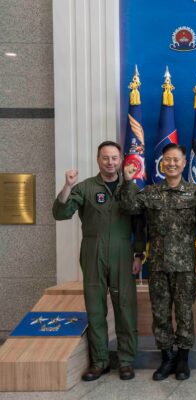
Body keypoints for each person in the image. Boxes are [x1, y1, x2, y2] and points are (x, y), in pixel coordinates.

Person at [52, 141, 144, 381]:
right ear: (98, 160)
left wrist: (139, 254)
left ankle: (126, 361)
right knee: (95, 308)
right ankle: (100, 361)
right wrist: (67, 186)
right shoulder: (85, 187)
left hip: (123, 252)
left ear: (121, 160)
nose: (110, 162)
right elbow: (61, 213)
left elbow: (139, 224)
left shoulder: (130, 187)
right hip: (93, 251)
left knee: (125, 307)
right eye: (105, 158)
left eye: (114, 158)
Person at [120, 143, 196, 381]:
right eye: (167, 160)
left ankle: (183, 359)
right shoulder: (151, 192)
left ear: (184, 163)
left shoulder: (195, 192)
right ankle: (167, 357)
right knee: (160, 314)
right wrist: (128, 181)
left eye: (176, 160)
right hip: (158, 265)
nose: (171, 164)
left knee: (184, 313)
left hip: (185, 266)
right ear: (162, 163)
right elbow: (130, 208)